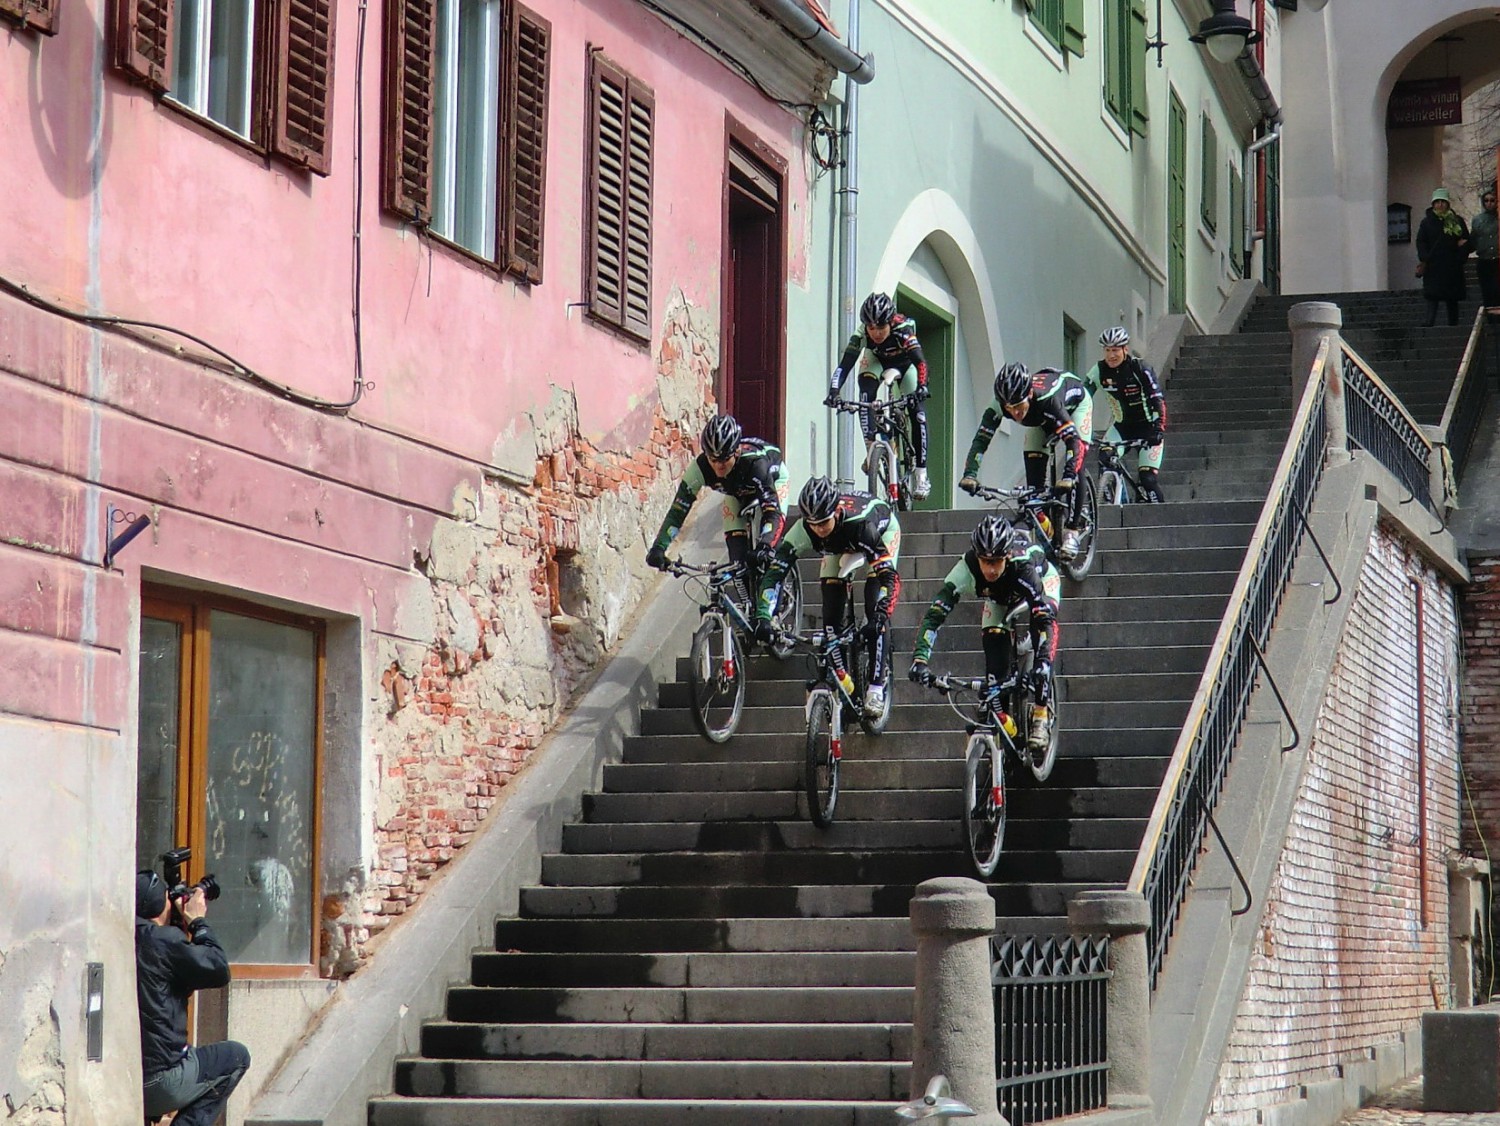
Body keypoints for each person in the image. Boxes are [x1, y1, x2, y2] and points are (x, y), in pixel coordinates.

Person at [908, 514, 1060, 755]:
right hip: (998, 599)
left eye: (996, 561)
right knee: (994, 667)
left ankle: (1041, 712)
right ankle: (1004, 726)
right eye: (984, 561)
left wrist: (1043, 662)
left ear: (1007, 556)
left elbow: (1045, 622)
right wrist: (920, 660)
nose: (990, 568)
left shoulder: (1024, 566)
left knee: (1040, 640)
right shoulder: (966, 567)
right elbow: (934, 616)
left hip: (1039, 587)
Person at [753, 476, 901, 717]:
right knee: (831, 621)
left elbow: (890, 579)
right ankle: (847, 686)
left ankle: (875, 687)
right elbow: (775, 573)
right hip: (838, 547)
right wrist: (763, 615)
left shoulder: (861, 526)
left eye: (824, 522)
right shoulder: (804, 529)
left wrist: (881, 615)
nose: (819, 529)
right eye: (813, 524)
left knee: (875, 606)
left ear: (837, 511)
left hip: (879, 535)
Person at [136, 870, 250, 1126]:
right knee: (235, 1058)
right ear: (157, 904)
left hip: (127, 1077)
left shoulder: (127, 939)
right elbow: (218, 968)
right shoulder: (163, 941)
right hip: (160, 1083)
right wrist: (197, 921)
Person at [646, 414, 790, 602]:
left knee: (767, 550)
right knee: (737, 562)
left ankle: (772, 612)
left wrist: (765, 545)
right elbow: (678, 511)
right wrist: (659, 547)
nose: (717, 466)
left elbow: (773, 512)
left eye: (723, 460)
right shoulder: (700, 468)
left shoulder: (755, 464)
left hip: (773, 482)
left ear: (736, 453)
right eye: (712, 459)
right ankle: (749, 610)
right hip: (736, 493)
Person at [958, 361, 1093, 560]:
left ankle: (1071, 531)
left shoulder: (1047, 399)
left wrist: (1069, 475)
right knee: (1034, 490)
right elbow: (981, 440)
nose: (1015, 413)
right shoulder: (998, 404)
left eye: (1019, 406)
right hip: (1041, 419)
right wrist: (970, 474)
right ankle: (1049, 532)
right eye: (1009, 408)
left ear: (1029, 394)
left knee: (1076, 465)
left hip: (1074, 407)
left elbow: (1074, 442)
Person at [824, 291, 932, 500]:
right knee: (865, 397)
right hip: (877, 360)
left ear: (890, 322)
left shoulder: (903, 329)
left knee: (918, 415)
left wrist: (921, 386)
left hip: (906, 364)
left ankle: (921, 475)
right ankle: (872, 447)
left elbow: (920, 362)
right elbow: (844, 366)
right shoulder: (861, 333)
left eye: (881, 327)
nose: (876, 333)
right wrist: (834, 392)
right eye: (871, 328)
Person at [1082, 326, 1168, 502]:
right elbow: (1082, 398)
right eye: (1107, 350)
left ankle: (1160, 515)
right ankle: (1117, 503)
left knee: (1148, 479)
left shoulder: (1140, 368)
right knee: (1104, 458)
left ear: (1125, 349)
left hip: (1148, 427)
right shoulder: (1098, 371)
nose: (1111, 355)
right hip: (1122, 427)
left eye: (1115, 350)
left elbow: (1157, 400)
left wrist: (1159, 428)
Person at [1416, 187, 1472, 327]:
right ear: (1433, 204)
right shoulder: (1427, 222)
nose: (1440, 205)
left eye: (1443, 202)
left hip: (1452, 265)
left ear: (1448, 204)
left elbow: (1466, 240)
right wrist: (1424, 257)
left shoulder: (1457, 221)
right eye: (1437, 202)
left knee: (1452, 297)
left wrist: (1460, 256)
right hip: (1434, 265)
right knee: (1432, 296)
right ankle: (1430, 321)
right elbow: (1421, 241)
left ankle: (1453, 323)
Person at [1472, 186, 1498, 313]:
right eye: (1486, 201)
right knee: (1487, 292)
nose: (1489, 203)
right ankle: (1491, 321)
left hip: (1498, 259)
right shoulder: (1478, 220)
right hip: (1484, 260)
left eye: (1492, 200)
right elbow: (1473, 238)